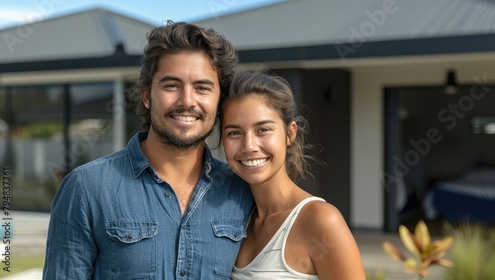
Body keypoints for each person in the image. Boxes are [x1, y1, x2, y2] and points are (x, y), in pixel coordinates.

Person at [43, 21, 254, 279]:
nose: (187, 101)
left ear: (219, 100)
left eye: (202, 88)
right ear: (146, 95)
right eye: (171, 85)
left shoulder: (242, 190)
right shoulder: (86, 189)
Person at [220, 71, 366, 280]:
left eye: (263, 130)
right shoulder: (234, 217)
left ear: (290, 133)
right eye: (234, 132)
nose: (249, 146)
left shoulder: (322, 220)